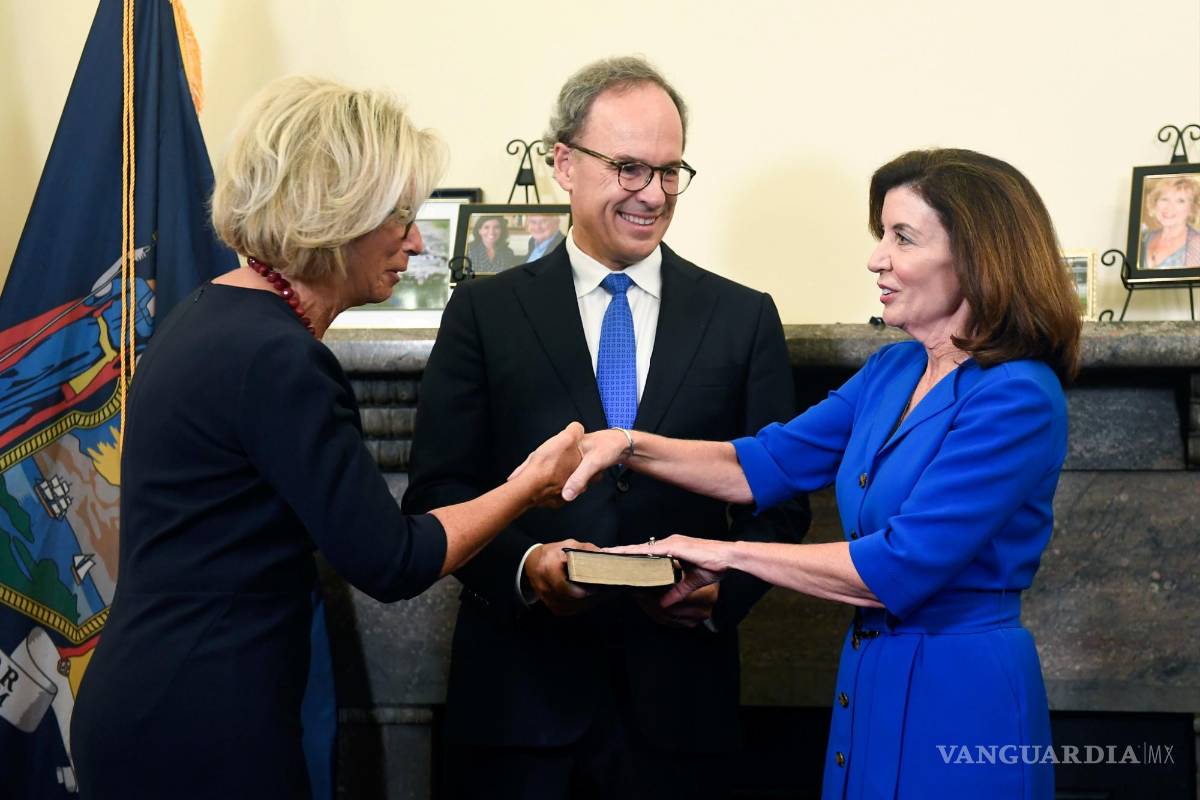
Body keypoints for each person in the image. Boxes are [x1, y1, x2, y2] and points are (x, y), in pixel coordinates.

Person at [69, 76, 583, 800]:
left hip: (154, 699)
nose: (415, 240)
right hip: (200, 725)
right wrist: (526, 486)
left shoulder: (211, 315)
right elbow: (393, 560)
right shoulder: (279, 359)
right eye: (398, 216)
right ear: (335, 214)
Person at [550, 148, 1082, 799]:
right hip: (871, 676)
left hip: (963, 693)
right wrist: (627, 444)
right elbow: (763, 464)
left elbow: (900, 568)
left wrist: (723, 552)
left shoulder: (1018, 396)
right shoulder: (894, 372)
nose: (876, 257)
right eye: (880, 234)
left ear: (977, 257)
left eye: (902, 237)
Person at [402, 56, 810, 799]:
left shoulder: (743, 317)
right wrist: (530, 570)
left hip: (684, 715)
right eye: (628, 168)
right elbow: (439, 490)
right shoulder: (483, 314)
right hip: (519, 713)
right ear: (563, 163)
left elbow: (780, 503)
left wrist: (726, 592)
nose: (652, 195)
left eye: (669, 171)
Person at [1139, 175, 1200, 268]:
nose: (1169, 207)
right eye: (1164, 199)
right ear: (1155, 202)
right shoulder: (1145, 237)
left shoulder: (1196, 243)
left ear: (1192, 208)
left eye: (1180, 201)